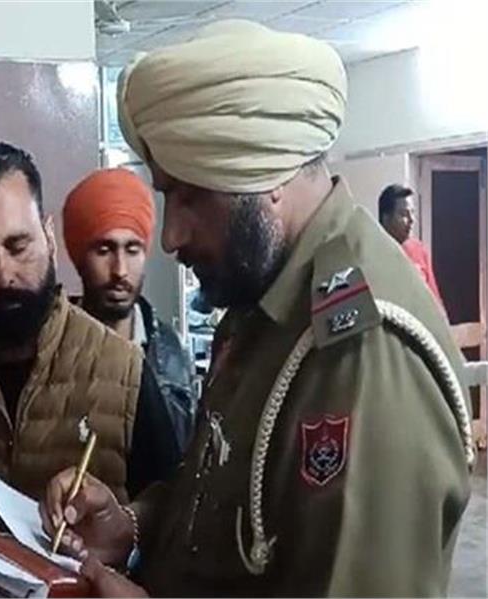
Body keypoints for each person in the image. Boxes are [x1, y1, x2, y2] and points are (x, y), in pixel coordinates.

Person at [39, 20, 473, 597]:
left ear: (267, 178)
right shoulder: (263, 299)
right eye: (167, 196)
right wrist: (135, 525)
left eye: (191, 196)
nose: (170, 236)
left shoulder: (365, 351)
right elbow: (228, 500)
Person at [0, 142, 180, 531]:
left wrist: (127, 528)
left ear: (48, 237)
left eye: (18, 247)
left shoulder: (123, 370)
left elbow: (175, 518)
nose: (4, 276)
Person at [63, 167, 197, 451]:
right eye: (104, 250)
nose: (120, 270)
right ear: (79, 258)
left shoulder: (172, 355)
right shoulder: (51, 348)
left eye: (132, 250)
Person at [378, 183, 446, 309]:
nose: (411, 219)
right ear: (386, 218)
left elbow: (435, 301)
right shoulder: (371, 252)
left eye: (412, 212)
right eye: (403, 214)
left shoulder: (419, 251)